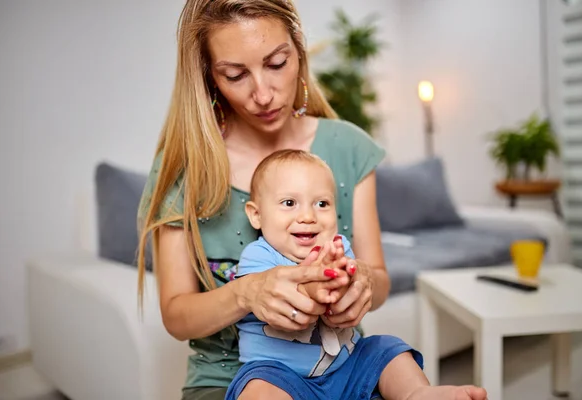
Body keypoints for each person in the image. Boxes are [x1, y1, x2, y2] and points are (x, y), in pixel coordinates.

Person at [136, 1, 488, 399]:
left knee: (391, 351)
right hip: (234, 379)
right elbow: (176, 316)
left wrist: (363, 285)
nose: (263, 94)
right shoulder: (185, 166)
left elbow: (378, 276)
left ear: (298, 50)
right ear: (210, 78)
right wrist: (247, 293)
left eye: (277, 63)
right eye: (236, 75)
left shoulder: (349, 147)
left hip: (344, 367)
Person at [227, 149, 427, 400]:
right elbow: (288, 302)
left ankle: (418, 393)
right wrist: (317, 286)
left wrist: (345, 284)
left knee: (389, 349)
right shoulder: (258, 257)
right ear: (256, 215)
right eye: (289, 203)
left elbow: (351, 290)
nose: (308, 217)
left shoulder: (338, 246)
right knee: (258, 389)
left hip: (346, 366)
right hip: (279, 375)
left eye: (322, 204)